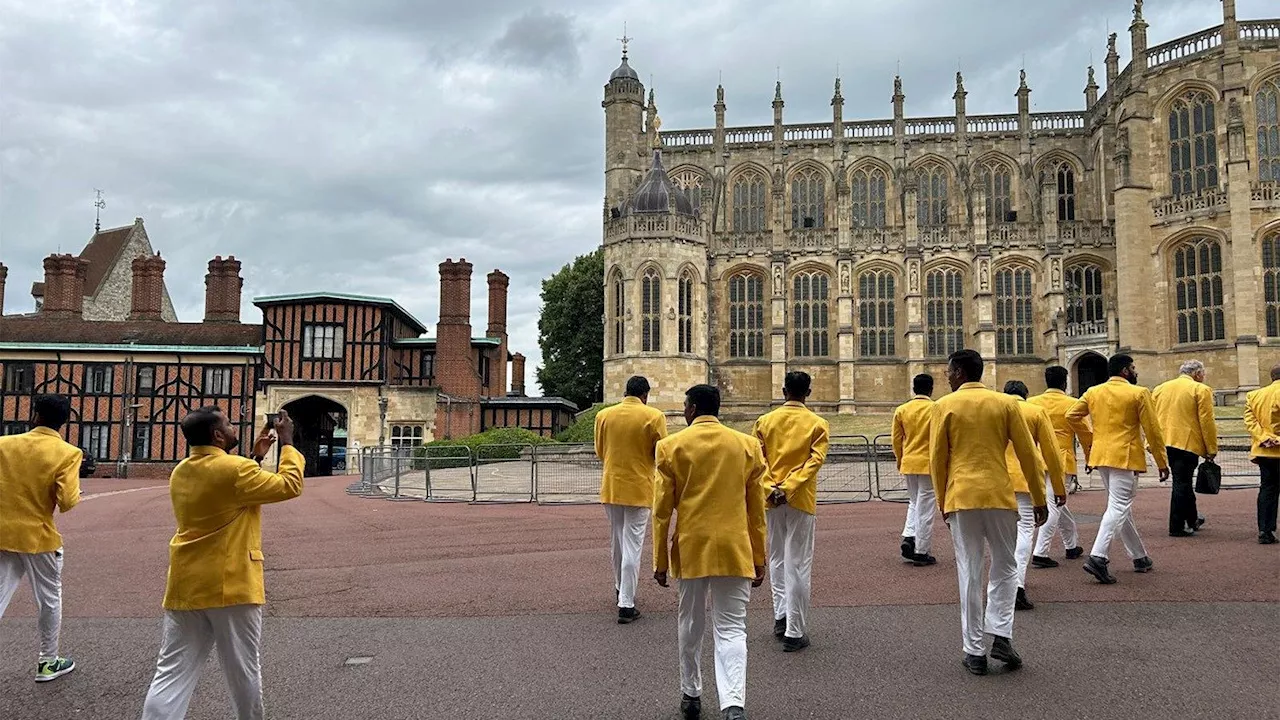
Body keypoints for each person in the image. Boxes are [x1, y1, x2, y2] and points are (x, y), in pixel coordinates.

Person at [140, 407, 305, 720]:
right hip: (232, 583)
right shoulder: (237, 470)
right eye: (228, 425)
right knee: (243, 671)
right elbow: (289, 485)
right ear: (217, 435)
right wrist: (287, 441)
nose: (233, 428)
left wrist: (254, 459)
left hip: (186, 585)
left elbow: (228, 490)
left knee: (171, 674)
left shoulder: (181, 471)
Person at [653, 385, 767, 720]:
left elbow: (661, 512)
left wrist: (660, 560)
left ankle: (691, 693)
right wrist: (758, 557)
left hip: (692, 546)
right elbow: (755, 512)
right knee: (732, 627)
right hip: (735, 546)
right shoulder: (748, 446)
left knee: (690, 622)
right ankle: (733, 703)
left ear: (691, 409)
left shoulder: (670, 447)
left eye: (685, 405)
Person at [931, 350, 1046, 676]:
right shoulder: (1006, 404)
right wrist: (1038, 498)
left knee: (969, 572)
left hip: (962, 497)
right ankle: (1001, 634)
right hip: (1000, 494)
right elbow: (1028, 456)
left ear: (960, 372)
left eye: (949, 371)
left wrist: (942, 501)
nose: (946, 376)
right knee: (1006, 566)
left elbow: (937, 460)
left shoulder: (944, 406)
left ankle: (974, 650)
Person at [0, 394, 82, 682]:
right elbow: (68, 501)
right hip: (38, 535)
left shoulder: (4, 444)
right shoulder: (68, 453)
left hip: (2, 531)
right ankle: (48, 661)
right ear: (64, 421)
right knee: (49, 599)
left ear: (35, 415)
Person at [1067, 354, 1168, 584]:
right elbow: (1153, 430)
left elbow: (1071, 415)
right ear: (1124, 371)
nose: (1135, 371)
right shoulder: (1139, 393)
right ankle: (1098, 556)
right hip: (1125, 456)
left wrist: (1091, 438)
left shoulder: (1093, 392)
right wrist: (1161, 462)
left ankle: (1139, 556)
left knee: (1120, 507)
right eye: (1133, 367)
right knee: (1118, 507)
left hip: (1102, 455)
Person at [753, 371, 830, 652]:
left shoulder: (765, 421)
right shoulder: (818, 424)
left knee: (776, 558)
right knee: (798, 563)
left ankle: (780, 615)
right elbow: (814, 462)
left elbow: (758, 460)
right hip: (800, 499)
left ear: (784, 390)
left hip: (771, 498)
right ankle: (795, 631)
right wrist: (790, 487)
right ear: (807, 393)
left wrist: (772, 487)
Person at [594, 375, 668, 623]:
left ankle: (620, 587)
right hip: (639, 487)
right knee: (632, 545)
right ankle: (626, 603)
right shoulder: (654, 416)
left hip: (612, 486)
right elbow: (660, 454)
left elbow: (600, 451)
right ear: (645, 395)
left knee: (616, 541)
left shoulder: (604, 416)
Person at [1001, 381, 1066, 612]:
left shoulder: (996, 409)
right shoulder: (1035, 411)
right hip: (1026, 480)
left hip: (999, 480)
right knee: (1025, 531)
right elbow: (1051, 453)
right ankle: (1016, 585)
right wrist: (1058, 487)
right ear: (1026, 395)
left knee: (1004, 535)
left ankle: (1002, 582)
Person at [1028, 366, 1088, 566]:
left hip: (1038, 458)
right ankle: (1041, 552)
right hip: (1062, 459)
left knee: (1059, 504)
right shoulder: (1073, 404)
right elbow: (1085, 434)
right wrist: (1090, 457)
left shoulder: (1033, 403)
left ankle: (1071, 546)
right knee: (1054, 504)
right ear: (1065, 382)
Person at [1152, 360, 1217, 537]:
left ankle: (1192, 518)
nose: (1203, 377)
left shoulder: (1160, 388)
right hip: (1187, 443)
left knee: (1183, 481)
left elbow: (1153, 416)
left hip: (1165, 441)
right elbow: (1206, 421)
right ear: (1197, 374)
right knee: (1181, 483)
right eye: (1202, 374)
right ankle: (1177, 525)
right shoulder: (1200, 389)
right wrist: (1211, 448)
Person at [891, 374, 937, 566]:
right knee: (926, 506)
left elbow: (896, 440)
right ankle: (921, 550)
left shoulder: (902, 410)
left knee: (914, 501)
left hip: (909, 462)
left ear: (913, 388)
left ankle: (910, 536)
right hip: (929, 463)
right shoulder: (936, 409)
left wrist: (901, 460)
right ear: (931, 389)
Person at [1243, 364, 1280, 545]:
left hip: (1264, 449)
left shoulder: (1254, 395)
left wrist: (1265, 437)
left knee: (1267, 489)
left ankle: (1265, 530)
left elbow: (1250, 422)